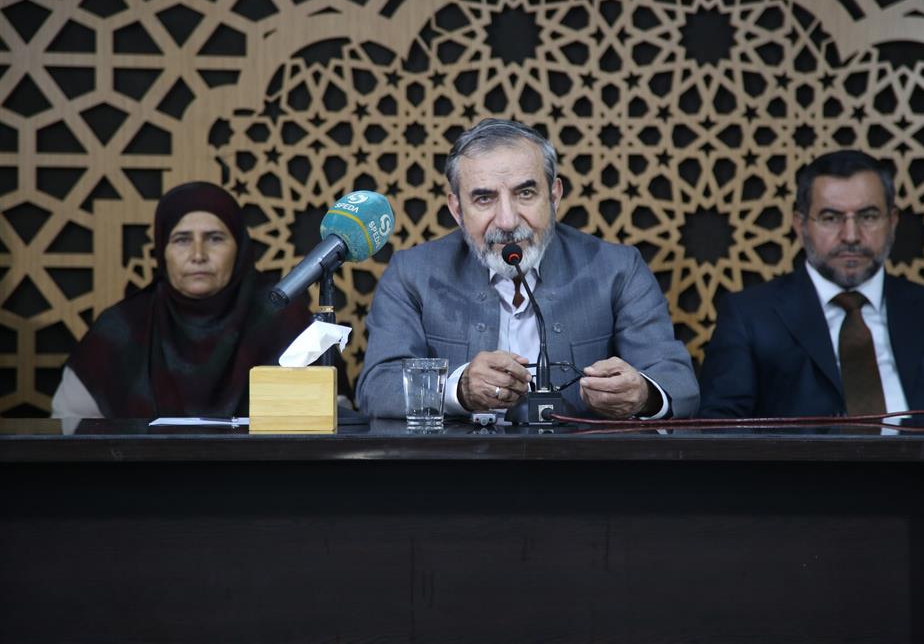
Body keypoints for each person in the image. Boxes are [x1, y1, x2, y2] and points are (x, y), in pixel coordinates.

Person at [357, 118, 698, 419]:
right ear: (457, 210)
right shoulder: (412, 273)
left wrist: (642, 394)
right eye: (484, 199)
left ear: (554, 196)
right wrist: (458, 389)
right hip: (456, 467)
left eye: (525, 193)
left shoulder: (618, 268)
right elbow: (377, 387)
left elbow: (678, 383)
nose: (507, 221)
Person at [698, 149, 924, 428]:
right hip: (801, 469)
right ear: (800, 225)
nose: (851, 235)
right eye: (831, 218)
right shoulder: (749, 316)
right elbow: (719, 429)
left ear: (892, 221)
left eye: (868, 217)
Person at [51, 181, 312, 418]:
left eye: (215, 238)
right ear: (162, 250)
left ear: (240, 247)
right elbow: (69, 426)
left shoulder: (283, 317)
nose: (198, 255)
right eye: (182, 240)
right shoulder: (122, 328)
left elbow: (325, 416)